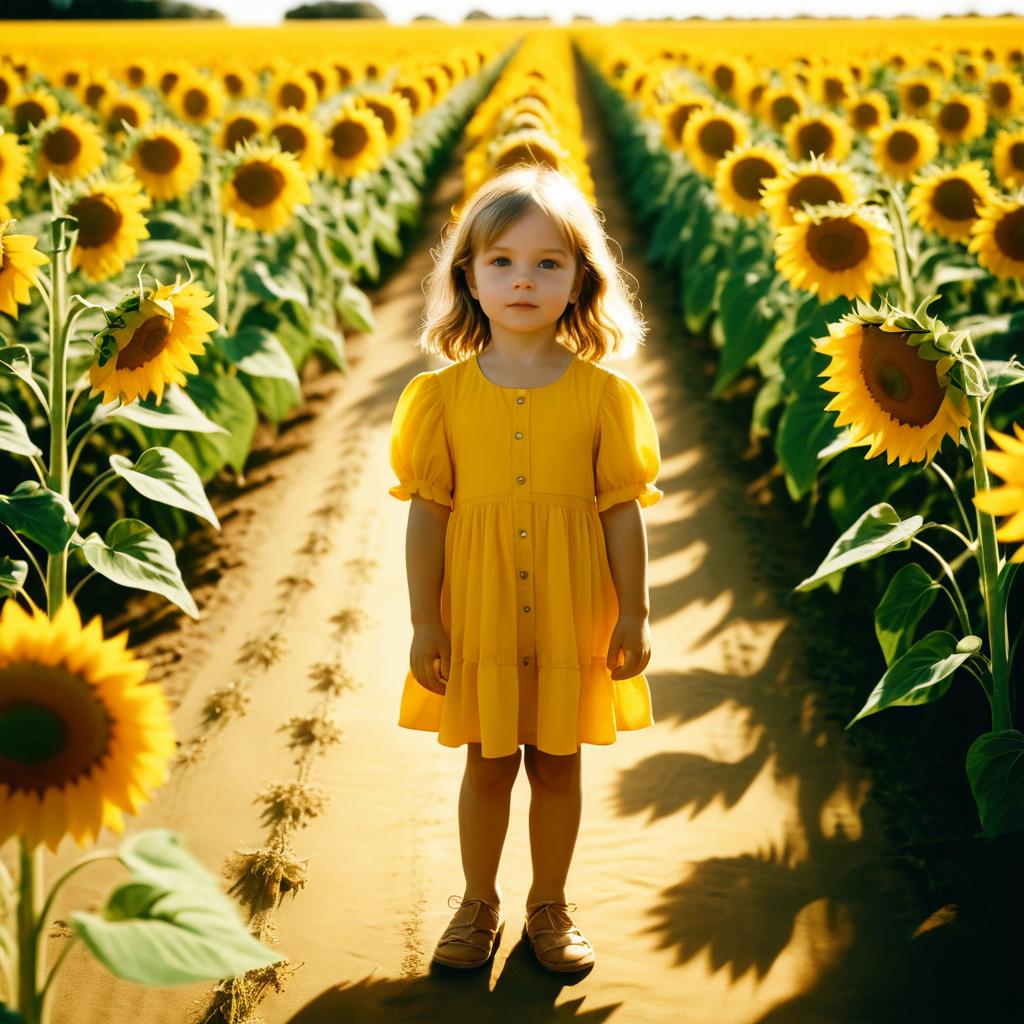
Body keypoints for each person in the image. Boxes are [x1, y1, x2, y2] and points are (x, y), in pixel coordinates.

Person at [387, 163, 662, 975]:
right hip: (480, 614)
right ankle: (477, 902)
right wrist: (425, 620)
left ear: (582, 280)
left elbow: (621, 509)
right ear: (466, 276)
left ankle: (550, 902)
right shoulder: (439, 398)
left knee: (559, 764)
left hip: (575, 610)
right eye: (502, 260)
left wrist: (637, 612)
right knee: (487, 762)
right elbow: (427, 515)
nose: (523, 279)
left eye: (549, 263)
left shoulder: (606, 397)